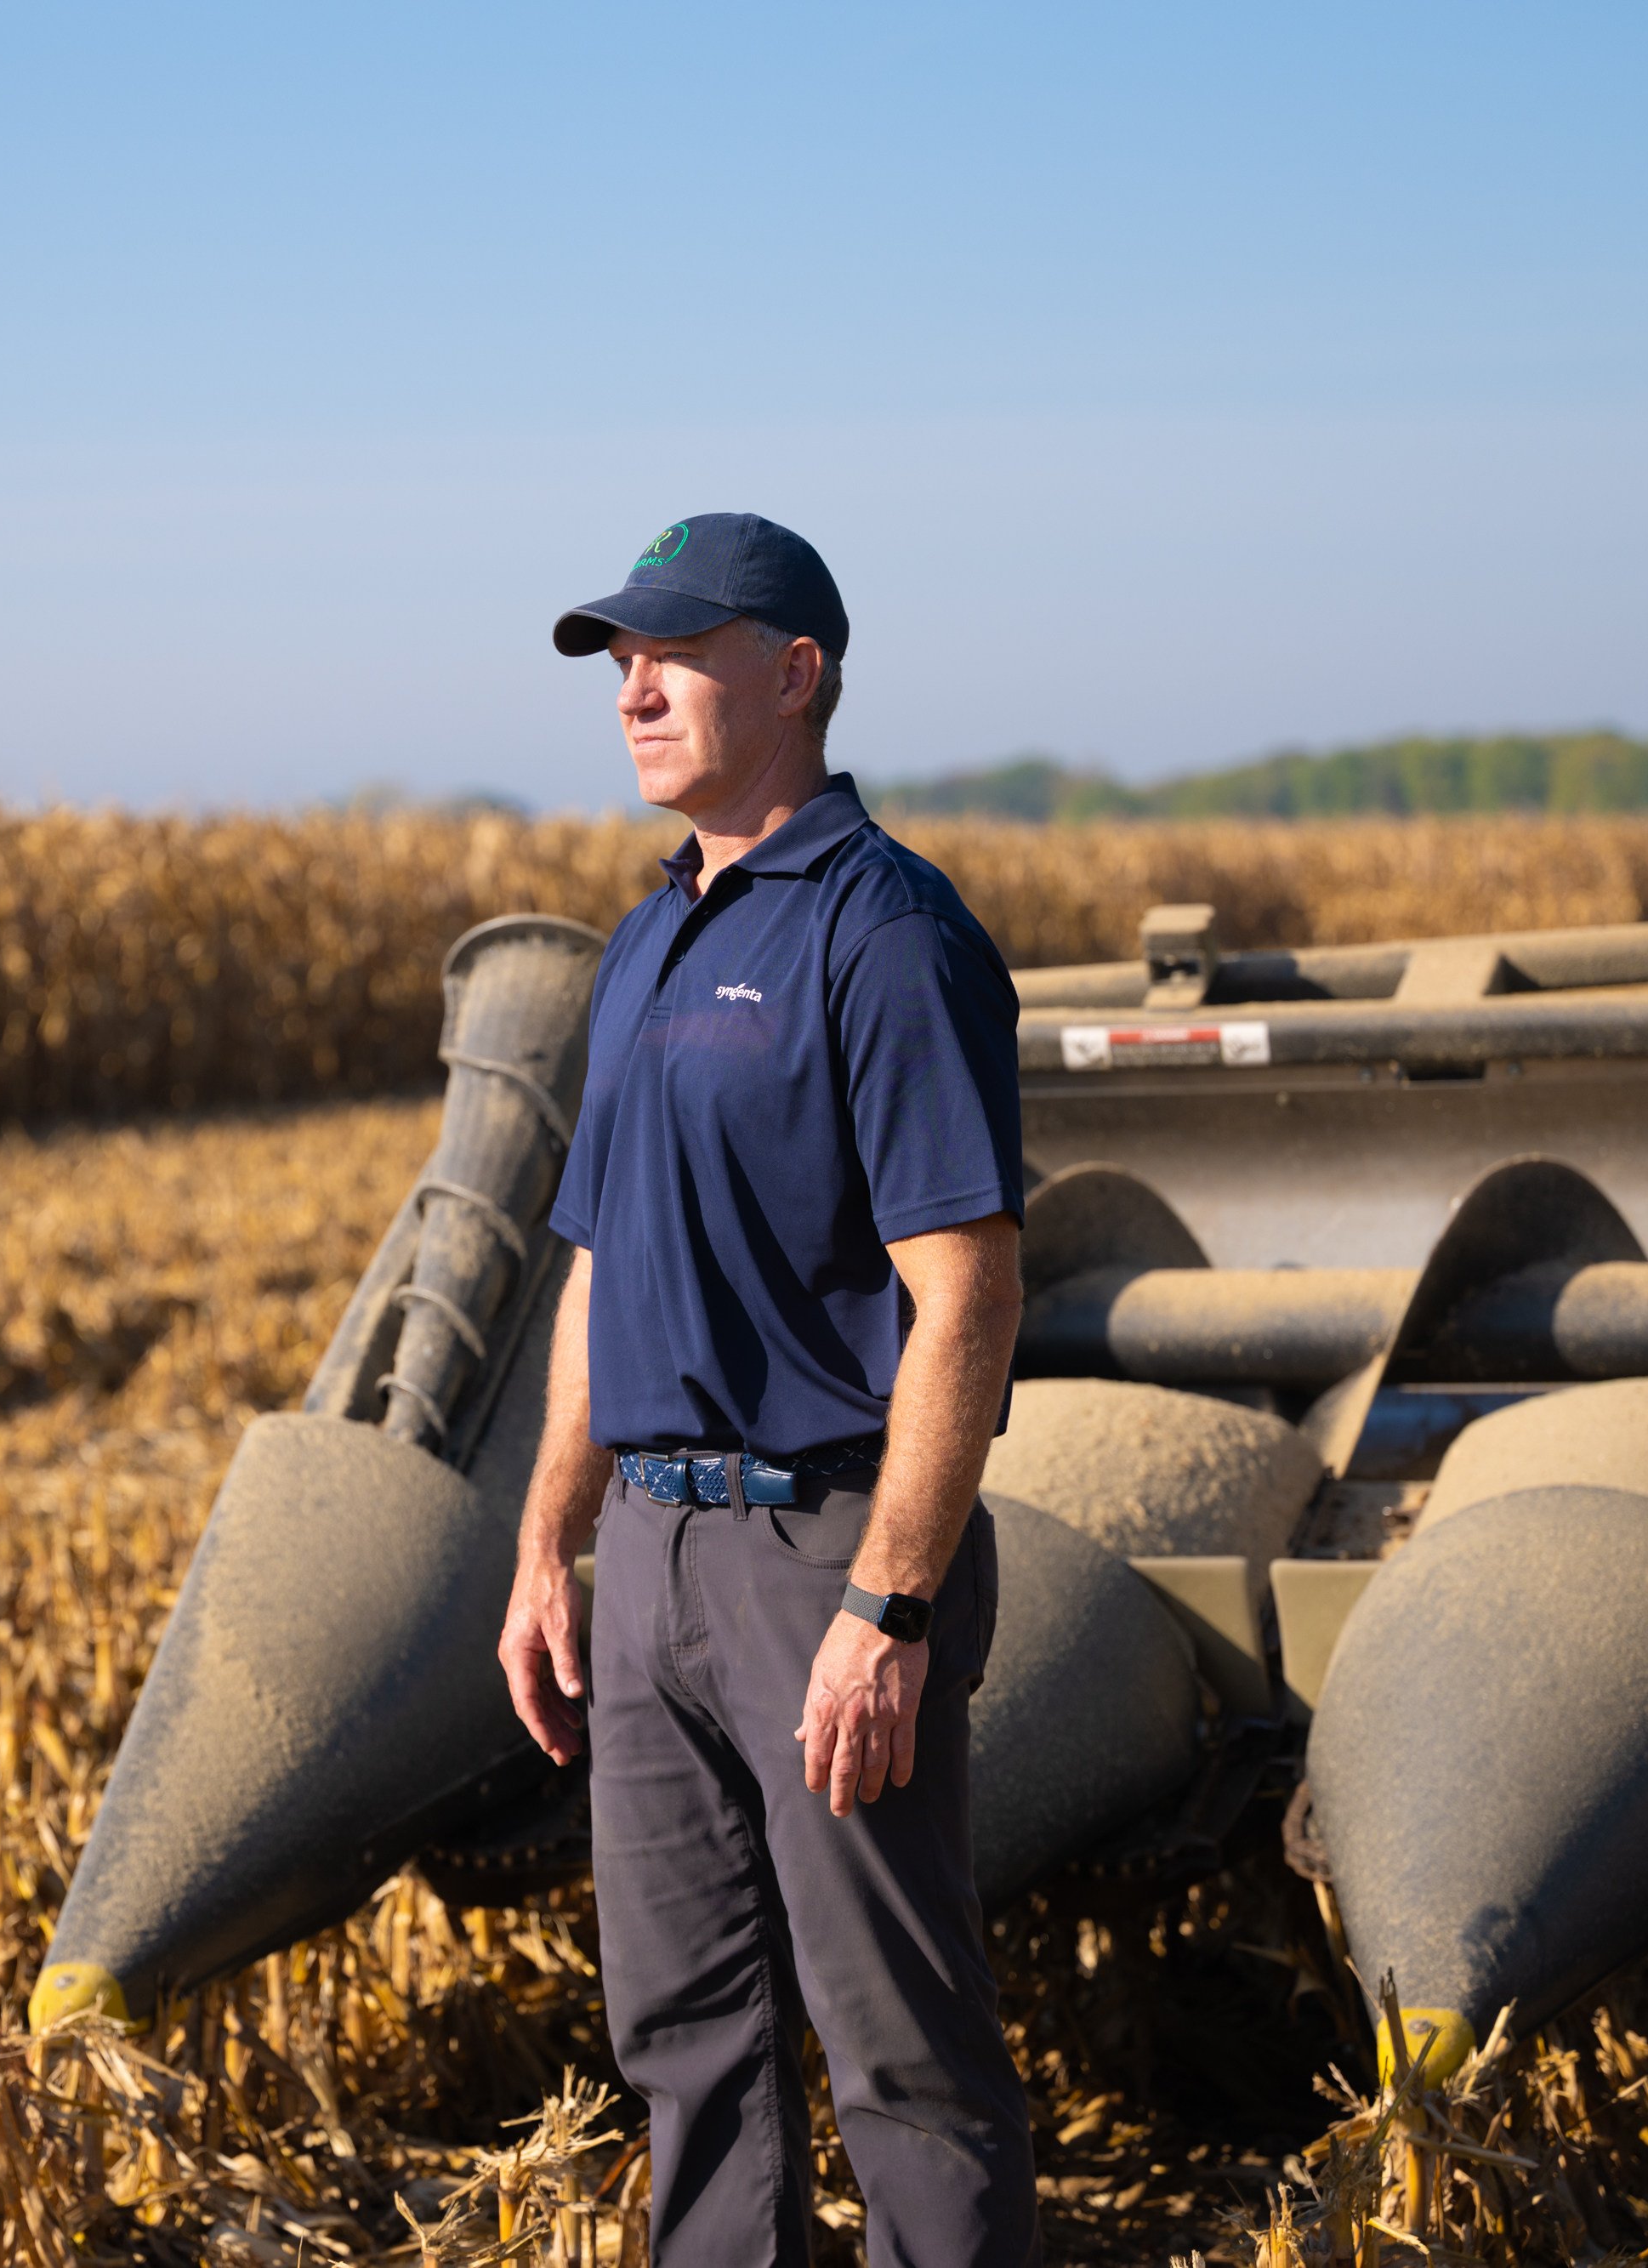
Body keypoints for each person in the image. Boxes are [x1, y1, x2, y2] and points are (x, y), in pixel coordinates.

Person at [497, 514, 1036, 2266]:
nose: (633, 686)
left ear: (794, 673)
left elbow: (964, 1293)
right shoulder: (646, 941)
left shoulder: (884, 934)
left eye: (673, 651)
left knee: (895, 2044)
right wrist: (544, 1547)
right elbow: (597, 1266)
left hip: (816, 1557)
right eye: (616, 660)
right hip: (647, 1564)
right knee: (683, 2041)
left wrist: (889, 1601)